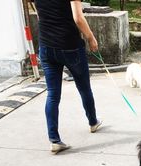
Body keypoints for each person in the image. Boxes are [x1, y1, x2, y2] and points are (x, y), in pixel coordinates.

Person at [34, 0, 102, 154]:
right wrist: (91, 38)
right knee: (84, 88)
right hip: (69, 46)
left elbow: (40, 16)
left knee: (52, 94)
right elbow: (78, 18)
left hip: (46, 46)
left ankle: (54, 140)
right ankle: (93, 122)